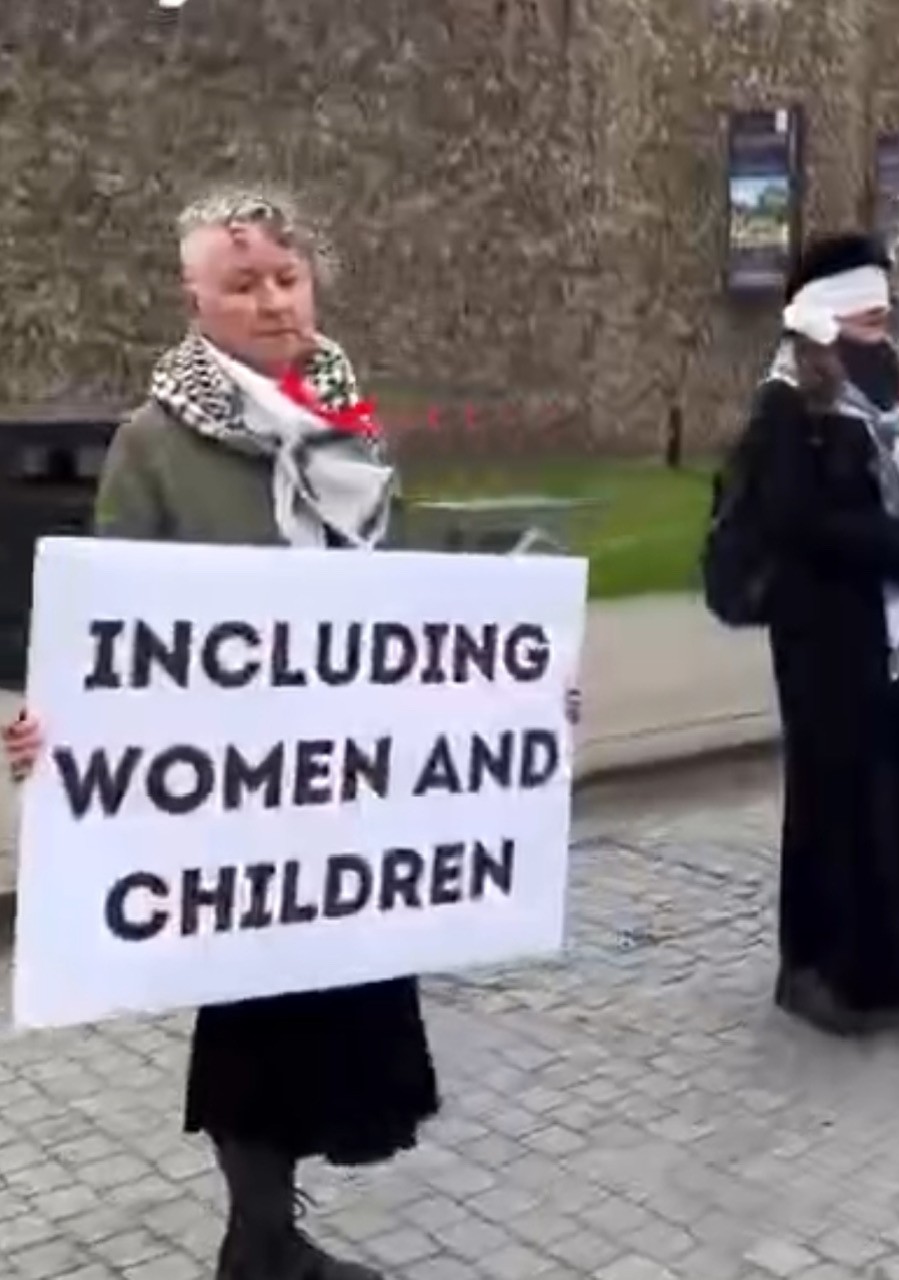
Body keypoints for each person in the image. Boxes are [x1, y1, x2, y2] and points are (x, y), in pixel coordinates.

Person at [7, 189, 442, 1280]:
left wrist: (508, 694)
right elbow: (111, 625)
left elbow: (407, 604)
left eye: (288, 278)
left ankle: (273, 1236)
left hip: (344, 777)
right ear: (194, 297)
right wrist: (60, 731)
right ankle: (258, 1239)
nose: (273, 300)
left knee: (340, 1002)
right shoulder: (153, 443)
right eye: (243, 284)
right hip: (231, 793)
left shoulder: (353, 425)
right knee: (253, 1016)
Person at [737, 232, 899, 1035]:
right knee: (834, 800)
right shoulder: (787, 404)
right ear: (826, 315)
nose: (881, 330)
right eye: (866, 317)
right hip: (826, 636)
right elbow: (799, 519)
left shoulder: (882, 393)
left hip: (896, 633)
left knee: (898, 790)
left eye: (884, 316)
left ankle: (894, 954)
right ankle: (820, 968)